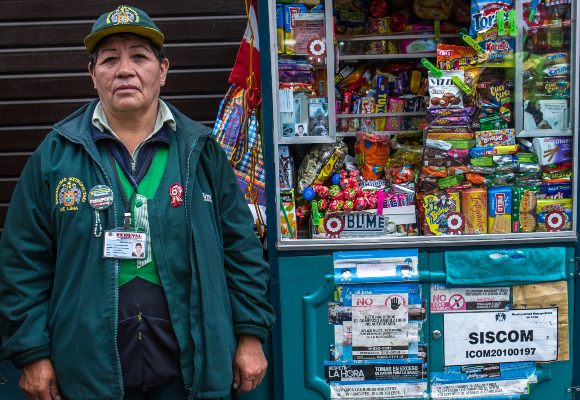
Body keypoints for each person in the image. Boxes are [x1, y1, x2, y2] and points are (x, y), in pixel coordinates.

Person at [0, 5, 275, 400]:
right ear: (93, 75)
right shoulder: (57, 154)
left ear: (162, 70)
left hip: (189, 363)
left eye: (139, 57)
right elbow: (22, 261)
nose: (124, 70)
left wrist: (250, 335)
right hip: (87, 367)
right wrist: (32, 353)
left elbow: (241, 249)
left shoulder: (201, 151)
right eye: (110, 59)